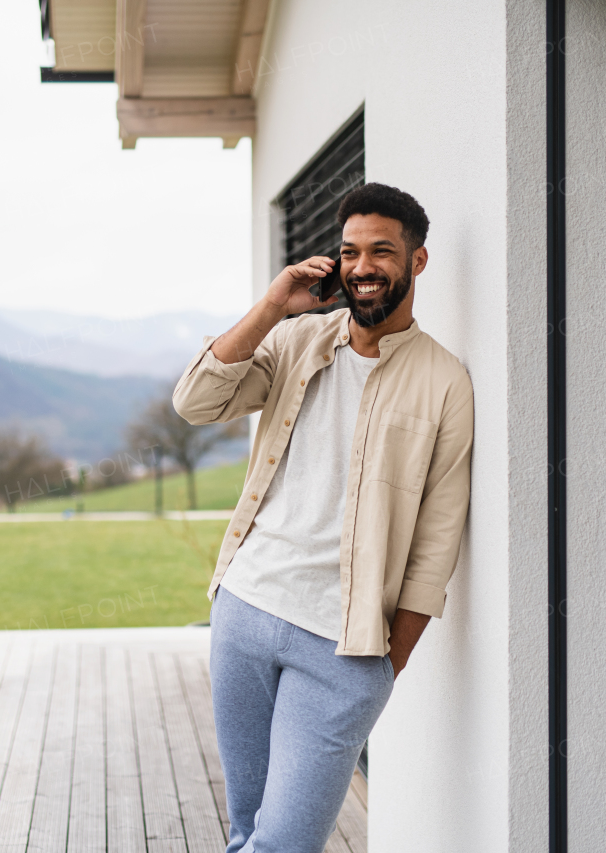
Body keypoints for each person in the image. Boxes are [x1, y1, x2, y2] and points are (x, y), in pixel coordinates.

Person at [172, 182, 474, 853]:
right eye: (350, 251)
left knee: (283, 842)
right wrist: (274, 305)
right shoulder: (296, 341)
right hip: (246, 610)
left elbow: (436, 541)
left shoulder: (444, 381)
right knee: (248, 830)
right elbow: (195, 400)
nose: (363, 265)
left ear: (416, 262)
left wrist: (384, 665)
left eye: (381, 251)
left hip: (343, 648)